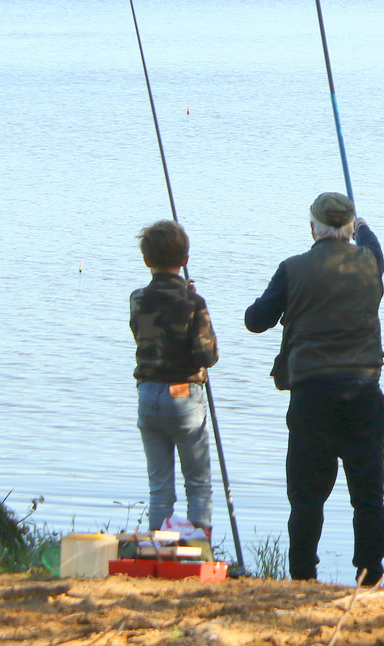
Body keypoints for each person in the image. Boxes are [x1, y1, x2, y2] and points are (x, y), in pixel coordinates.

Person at [245, 192, 384, 585]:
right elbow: (373, 244)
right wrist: (363, 226)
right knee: (368, 494)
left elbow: (256, 321)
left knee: (307, 495)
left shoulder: (292, 269)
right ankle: (370, 574)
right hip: (363, 391)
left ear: (312, 227)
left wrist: (266, 307)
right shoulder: (370, 263)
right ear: (349, 229)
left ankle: (303, 574)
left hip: (312, 396)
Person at [130, 219, 219, 537]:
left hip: (148, 395)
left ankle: (158, 548)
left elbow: (144, 333)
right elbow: (207, 356)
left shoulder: (137, 299)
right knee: (197, 483)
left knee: (160, 486)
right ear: (185, 260)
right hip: (183, 396)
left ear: (147, 260)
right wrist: (193, 303)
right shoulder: (194, 303)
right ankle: (198, 550)